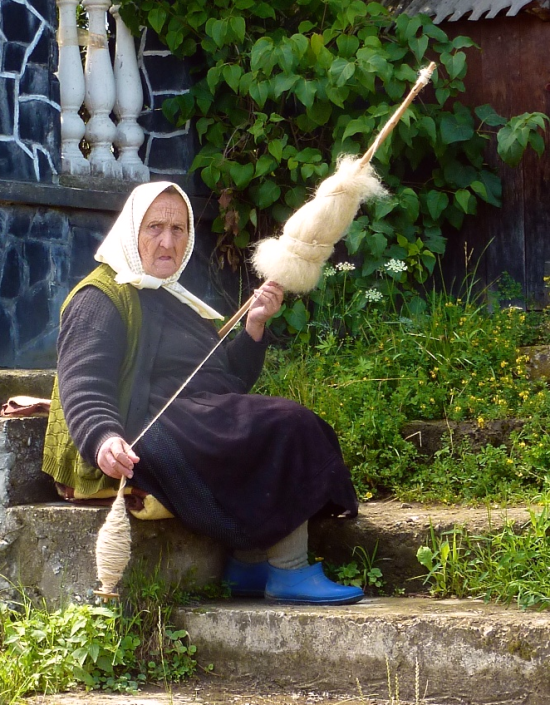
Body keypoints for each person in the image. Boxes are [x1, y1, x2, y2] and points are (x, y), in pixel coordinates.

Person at [42, 181, 363, 605]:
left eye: (178, 229)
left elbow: (226, 384)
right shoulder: (101, 297)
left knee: (262, 421)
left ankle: (248, 564)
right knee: (285, 425)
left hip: (188, 417)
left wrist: (254, 327)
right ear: (131, 230)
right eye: (155, 227)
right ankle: (290, 569)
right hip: (141, 431)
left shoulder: (175, 298)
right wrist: (102, 438)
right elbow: (83, 382)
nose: (168, 241)